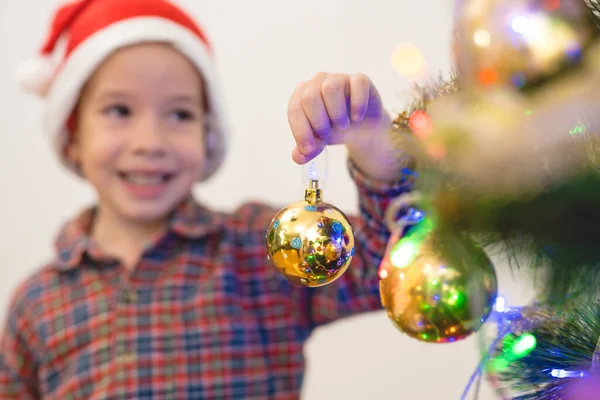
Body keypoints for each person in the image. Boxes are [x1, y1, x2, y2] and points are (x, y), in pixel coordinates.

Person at [0, 0, 411, 398]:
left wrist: (373, 147)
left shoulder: (258, 251)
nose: (149, 142)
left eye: (180, 114)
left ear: (208, 135)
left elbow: (391, 264)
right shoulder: (36, 306)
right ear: (72, 137)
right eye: (119, 110)